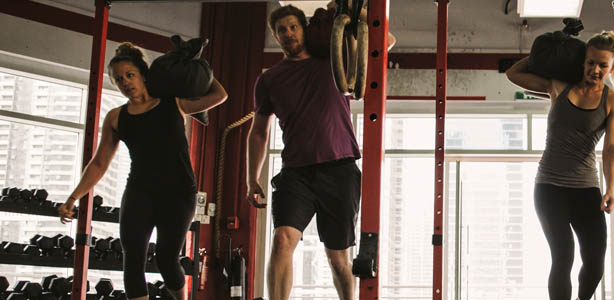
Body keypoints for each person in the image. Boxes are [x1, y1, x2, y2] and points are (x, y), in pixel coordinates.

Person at [245, 4, 395, 300]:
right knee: (282, 240)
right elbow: (259, 131)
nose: (288, 33)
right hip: (296, 173)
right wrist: (252, 179)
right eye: (282, 30)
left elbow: (386, 41)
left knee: (338, 259)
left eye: (293, 27)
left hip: (339, 169)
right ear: (276, 38)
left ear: (304, 29)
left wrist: (355, 12)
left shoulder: (334, 61)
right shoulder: (269, 80)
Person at [58, 42, 228, 300]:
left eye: (129, 75)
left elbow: (219, 95)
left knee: (167, 259)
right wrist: (73, 198)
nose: (124, 82)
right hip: (140, 191)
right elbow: (99, 163)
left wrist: (199, 67)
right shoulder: (116, 117)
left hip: (179, 192)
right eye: (118, 79)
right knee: (133, 257)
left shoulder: (174, 103)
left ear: (142, 75)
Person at [505, 31, 614, 300]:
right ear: (583, 60)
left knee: (594, 264)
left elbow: (612, 147)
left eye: (603, 65)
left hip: (585, 189)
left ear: (612, 67)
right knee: (563, 256)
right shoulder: (558, 86)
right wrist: (552, 53)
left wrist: (611, 188)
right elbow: (513, 74)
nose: (596, 69)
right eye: (590, 62)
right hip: (549, 187)